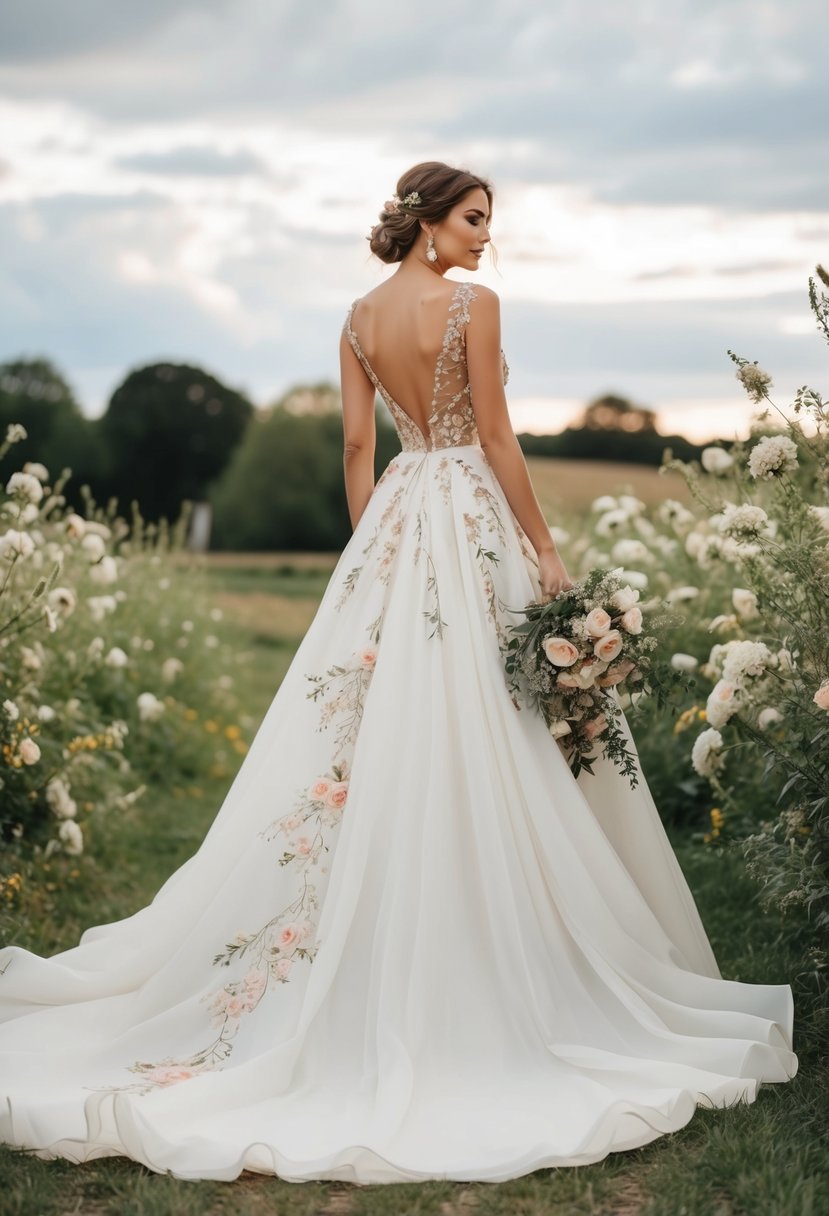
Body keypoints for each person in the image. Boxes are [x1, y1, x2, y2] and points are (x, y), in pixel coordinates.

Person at [0, 160, 797, 1185]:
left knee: (398, 723)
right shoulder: (473, 308)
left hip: (397, 523)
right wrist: (544, 551)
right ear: (428, 221)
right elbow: (499, 436)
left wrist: (372, 555)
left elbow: (352, 445)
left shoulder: (355, 317)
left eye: (488, 222)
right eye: (472, 218)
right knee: (499, 715)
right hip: (468, 515)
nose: (484, 237)